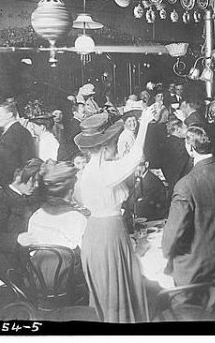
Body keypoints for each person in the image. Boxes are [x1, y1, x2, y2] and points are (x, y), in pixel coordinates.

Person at [73, 108, 155, 323]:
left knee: (108, 287)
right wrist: (145, 123)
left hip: (96, 232)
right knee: (117, 284)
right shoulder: (103, 172)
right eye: (114, 142)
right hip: (108, 233)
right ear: (105, 147)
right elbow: (136, 156)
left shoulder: (91, 170)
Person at [161, 126, 215, 313]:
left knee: (184, 310)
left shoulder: (185, 185)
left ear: (190, 147)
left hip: (194, 265)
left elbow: (174, 233)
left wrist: (166, 251)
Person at [17, 161, 89, 298]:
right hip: (69, 286)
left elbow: (32, 252)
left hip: (36, 283)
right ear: (71, 191)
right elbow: (87, 258)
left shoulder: (36, 215)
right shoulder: (77, 218)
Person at [0, 158, 44, 256]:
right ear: (18, 177)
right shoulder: (1, 201)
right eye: (33, 180)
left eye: (38, 181)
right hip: (9, 257)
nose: (36, 185)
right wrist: (17, 239)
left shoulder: (23, 196)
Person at [0, 101, 36, 186]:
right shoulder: (17, 130)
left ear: (9, 115)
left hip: (12, 183)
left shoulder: (13, 134)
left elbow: (7, 167)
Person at [160, 119, 192, 190]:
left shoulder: (164, 143)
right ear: (178, 129)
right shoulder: (183, 145)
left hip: (171, 183)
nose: (187, 131)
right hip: (184, 183)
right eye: (185, 128)